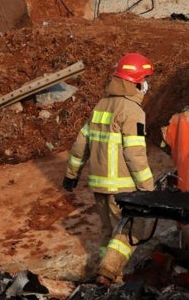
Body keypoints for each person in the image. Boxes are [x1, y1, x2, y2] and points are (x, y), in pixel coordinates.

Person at [63, 52, 157, 286]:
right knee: (131, 230)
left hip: (99, 186)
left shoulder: (101, 105)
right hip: (122, 187)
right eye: (145, 79)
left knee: (109, 232)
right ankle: (107, 273)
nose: (147, 84)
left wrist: (71, 174)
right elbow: (134, 154)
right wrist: (148, 189)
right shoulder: (132, 110)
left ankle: (110, 277)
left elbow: (81, 142)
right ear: (136, 82)